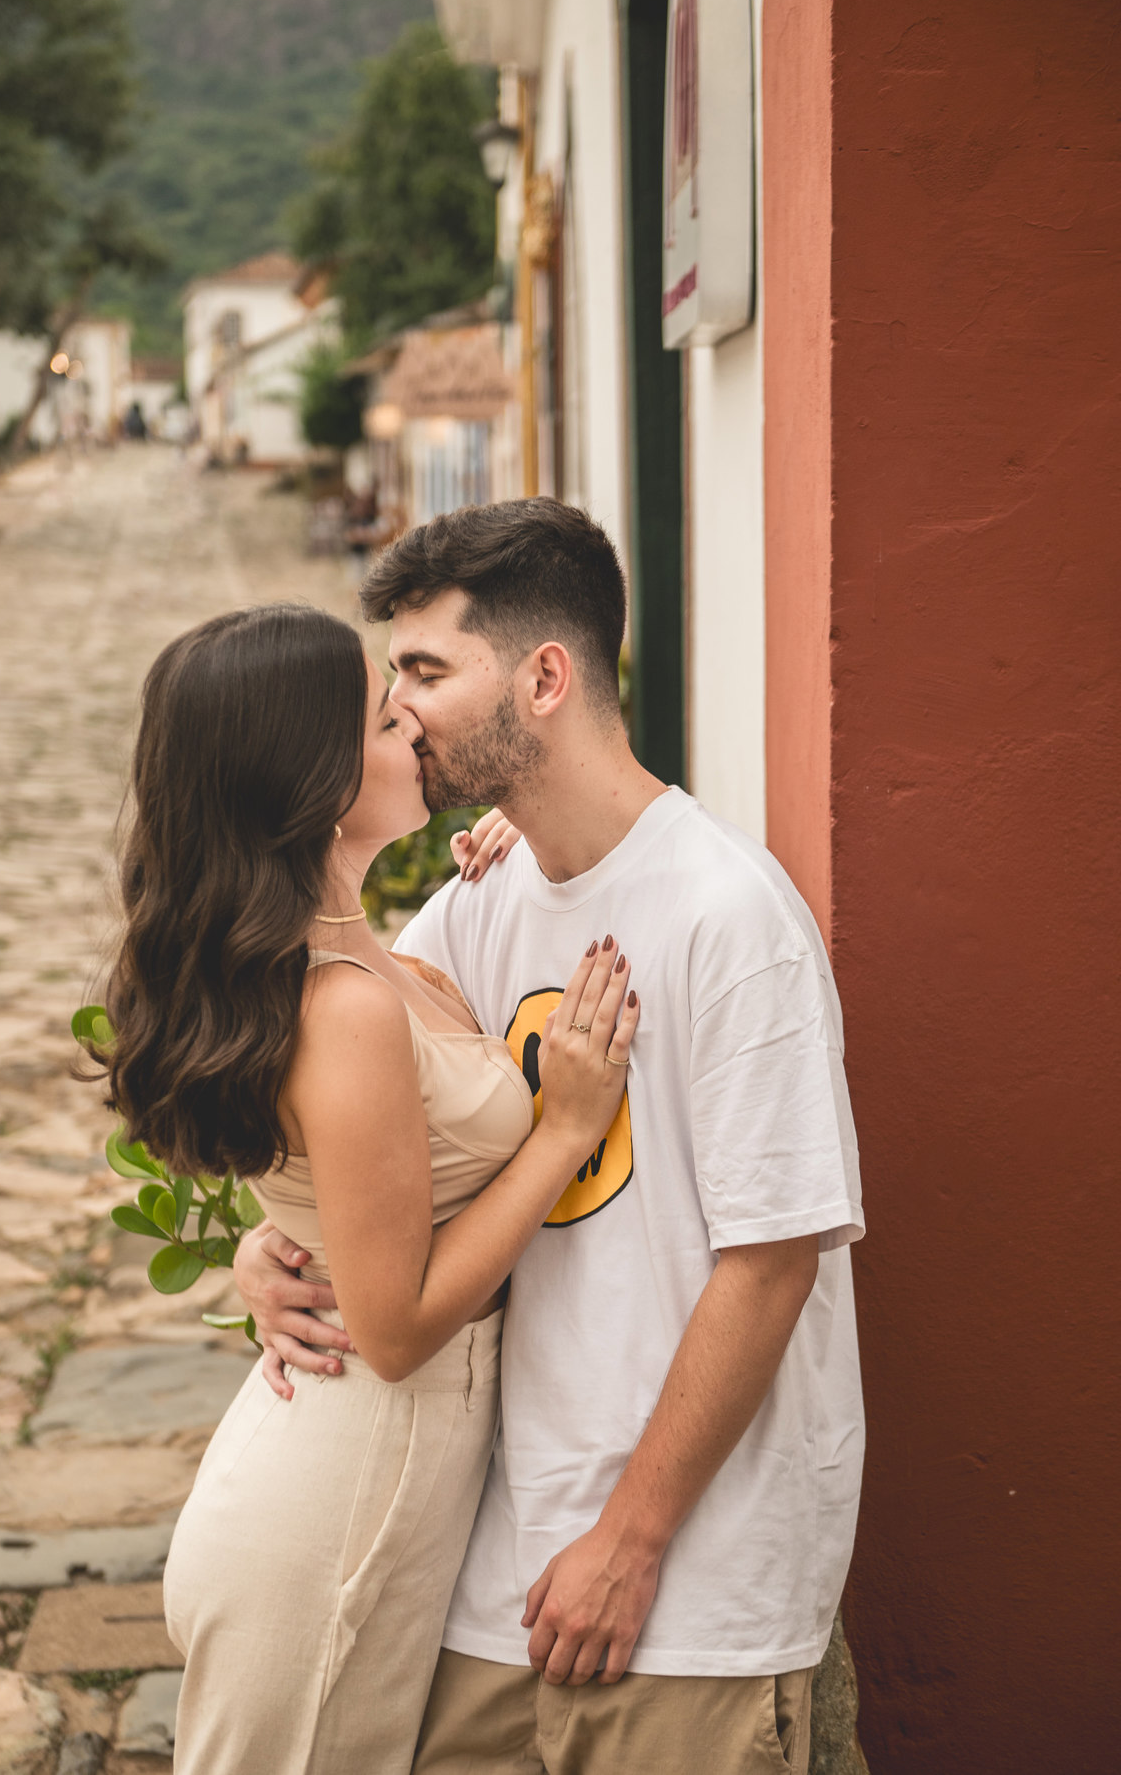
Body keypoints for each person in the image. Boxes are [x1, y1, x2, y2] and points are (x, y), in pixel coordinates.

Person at [236, 498, 865, 1775]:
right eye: (392, 679)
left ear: (543, 677)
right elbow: (338, 1103)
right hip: (492, 1578)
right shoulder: (475, 904)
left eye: (425, 670)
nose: (399, 711)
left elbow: (773, 1263)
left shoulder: (728, 917)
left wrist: (634, 1537)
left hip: (690, 1591)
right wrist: (273, 1242)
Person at [97, 603, 640, 1774]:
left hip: (350, 1484)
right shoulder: (338, 1002)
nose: (413, 728)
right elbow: (392, 1329)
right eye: (382, 714)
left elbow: (323, 1169)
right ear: (315, 778)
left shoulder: (362, 958)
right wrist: (564, 1131)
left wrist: (524, 842)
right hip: (337, 1513)